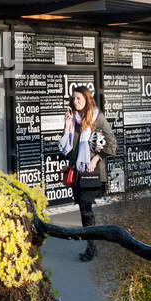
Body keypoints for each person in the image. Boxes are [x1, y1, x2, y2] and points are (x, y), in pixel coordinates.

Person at [56, 86, 118, 262]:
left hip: (91, 172)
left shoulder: (97, 117)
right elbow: (66, 151)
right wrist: (67, 126)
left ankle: (92, 248)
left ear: (87, 99)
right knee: (85, 211)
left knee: (86, 211)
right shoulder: (74, 120)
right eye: (73, 99)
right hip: (77, 173)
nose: (75, 102)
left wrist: (95, 159)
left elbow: (112, 144)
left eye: (79, 99)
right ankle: (93, 244)